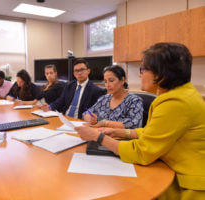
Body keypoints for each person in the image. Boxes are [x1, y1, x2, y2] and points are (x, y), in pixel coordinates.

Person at [75, 43, 205, 200]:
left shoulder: (175, 102)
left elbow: (142, 151)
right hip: (173, 171)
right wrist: (118, 132)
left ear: (162, 73)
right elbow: (154, 131)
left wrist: (98, 137)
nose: (140, 75)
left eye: (143, 69)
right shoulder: (181, 95)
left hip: (187, 186)